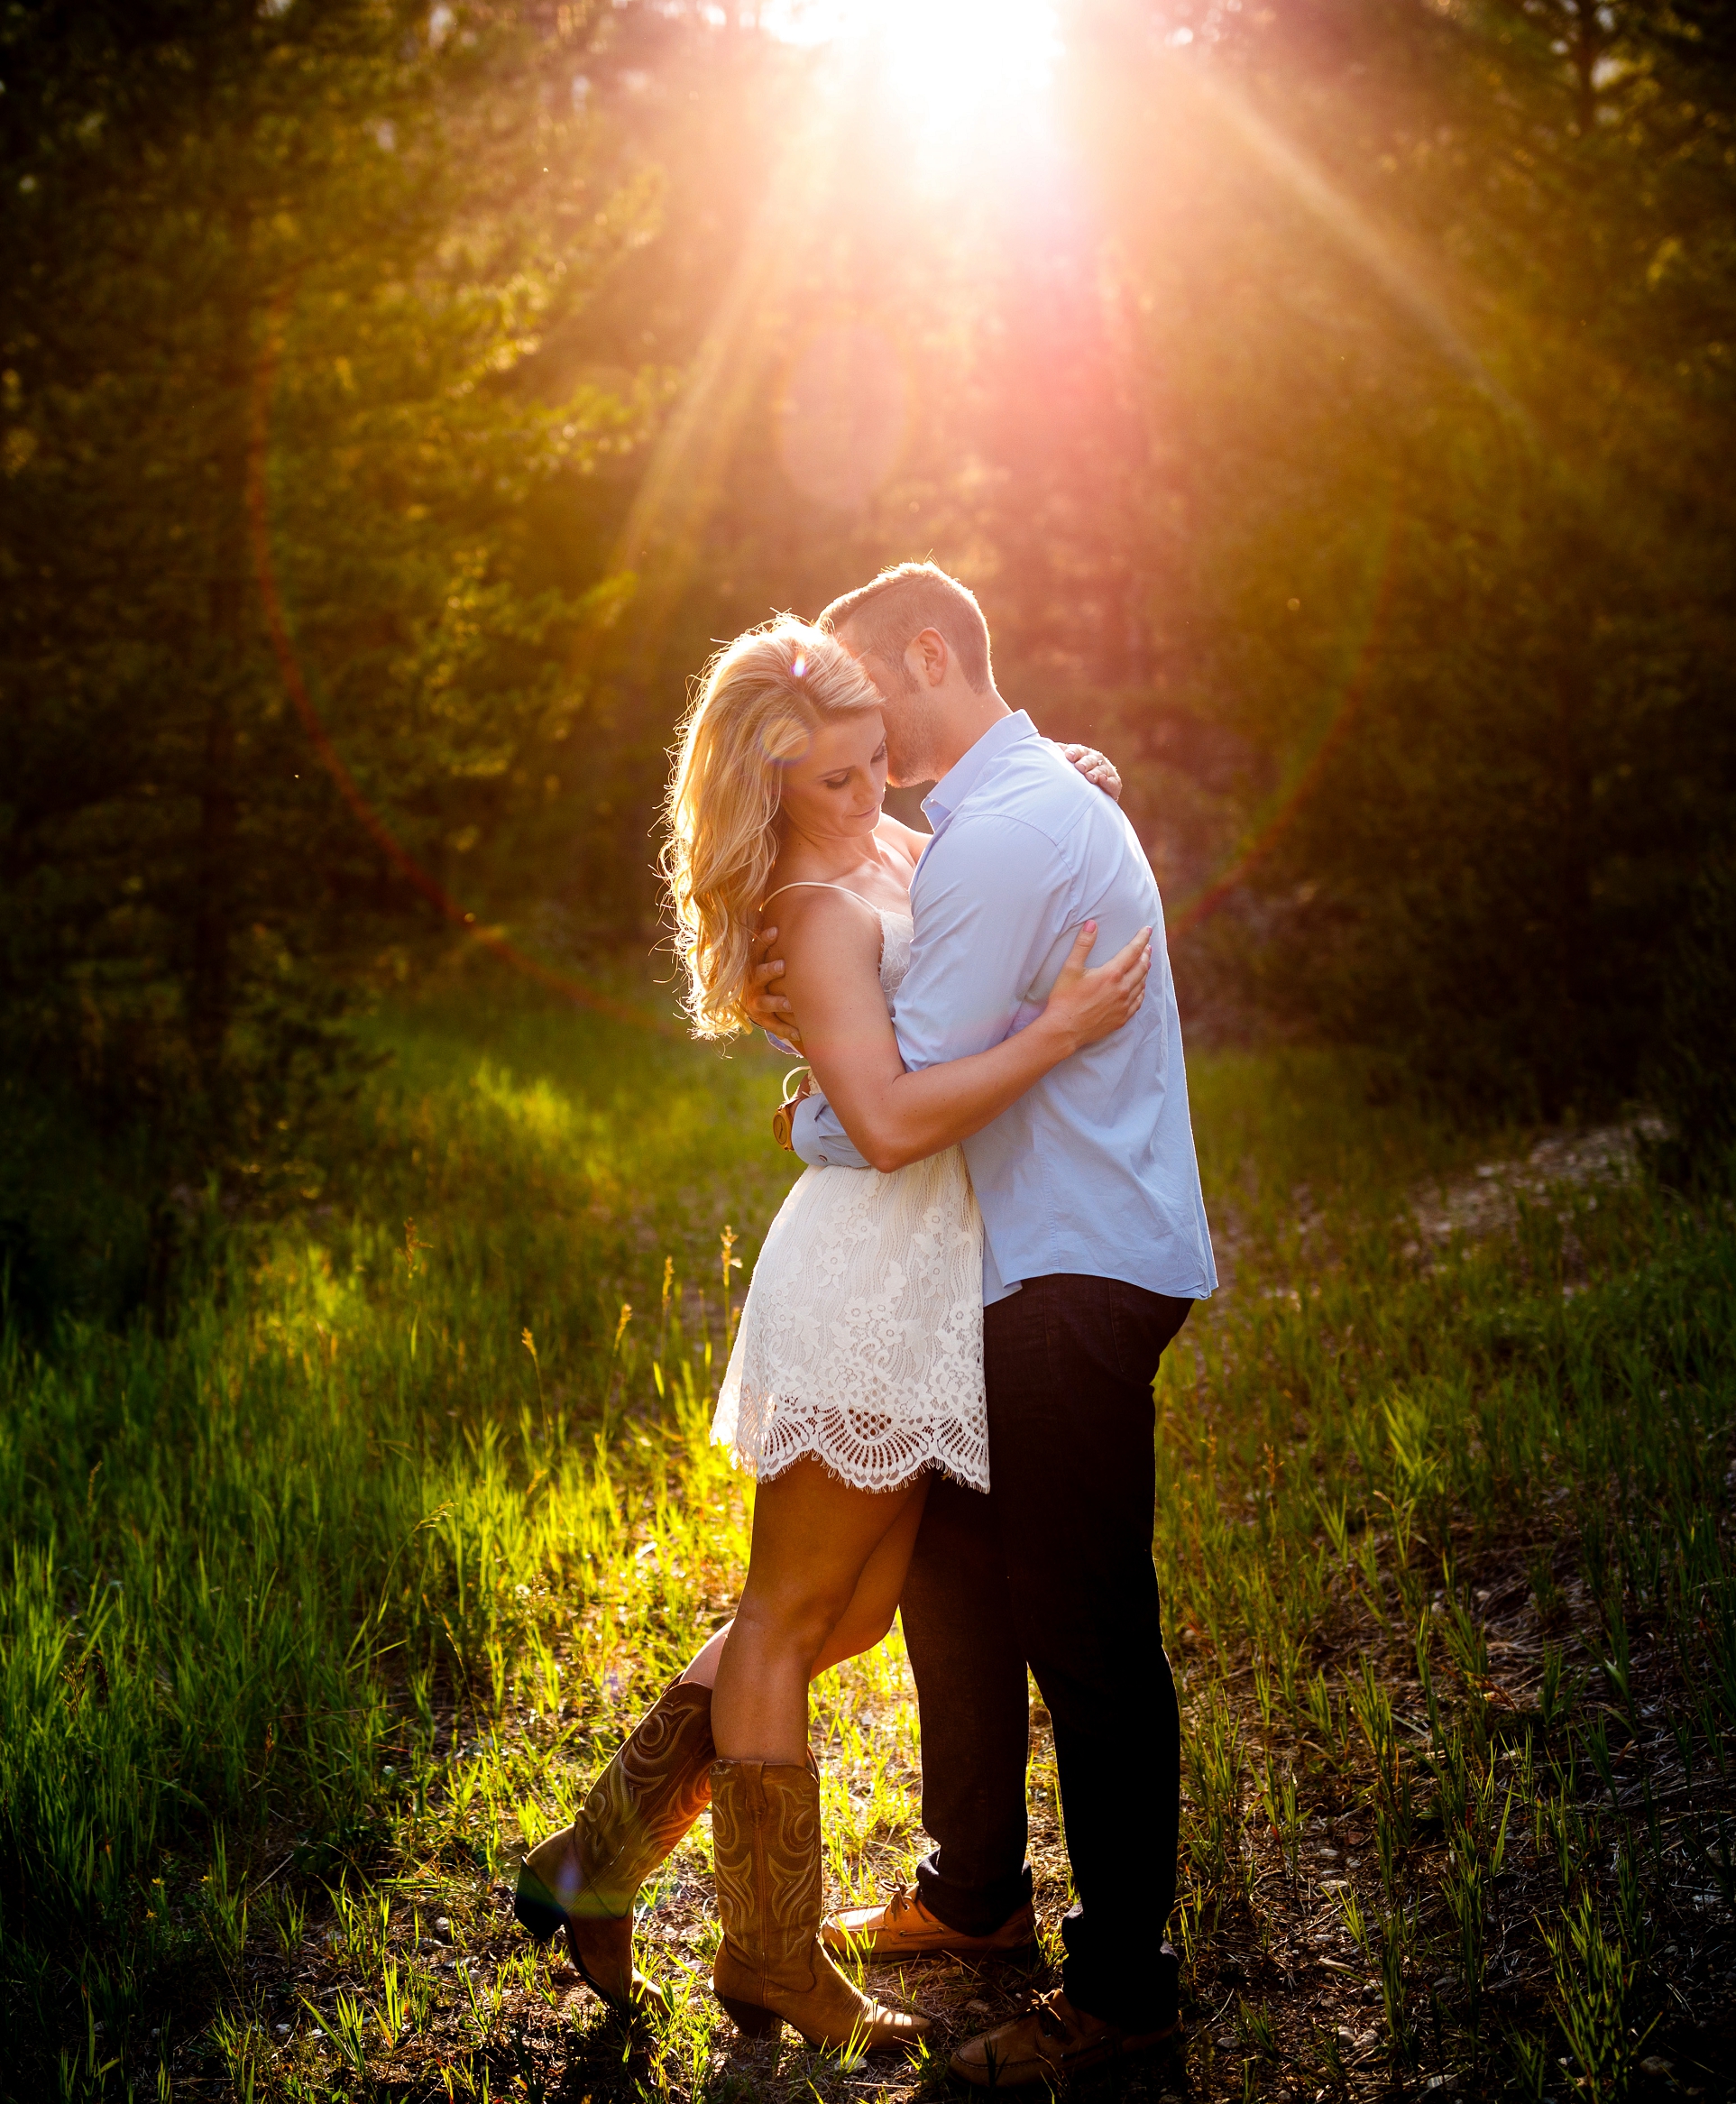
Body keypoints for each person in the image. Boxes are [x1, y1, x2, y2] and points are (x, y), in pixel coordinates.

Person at [510, 615, 1152, 2054]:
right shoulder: (811, 899)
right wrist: (1058, 1031)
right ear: (771, 793)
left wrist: (1057, 787)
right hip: (867, 1277)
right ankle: (769, 1960)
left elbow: (968, 884)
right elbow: (886, 1117)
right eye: (838, 784)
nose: (875, 800)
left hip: (923, 1276)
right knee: (793, 1618)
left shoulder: (884, 848)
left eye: (878, 768)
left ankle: (591, 1865)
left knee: (835, 1616)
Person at [762, 562, 1217, 2089]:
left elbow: (896, 1100)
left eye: (865, 698)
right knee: (959, 1566)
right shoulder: (1007, 809)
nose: (857, 736)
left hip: (1069, 1270)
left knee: (1087, 1625)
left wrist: (813, 1115)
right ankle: (971, 1891)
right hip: (1016, 1263)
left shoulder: (1010, 830)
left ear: (931, 651)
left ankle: (1127, 1989)